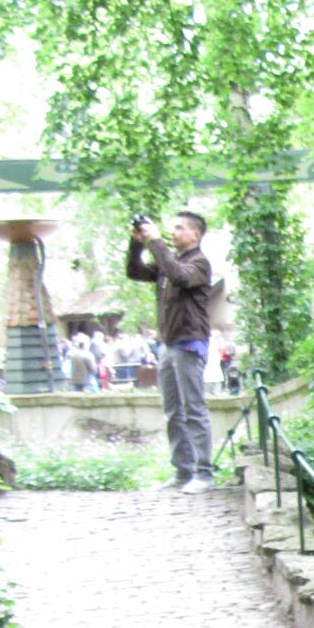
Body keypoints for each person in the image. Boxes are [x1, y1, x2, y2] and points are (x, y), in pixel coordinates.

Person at [126, 210, 216, 492]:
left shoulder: (199, 263)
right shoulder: (169, 261)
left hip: (189, 343)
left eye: (179, 228)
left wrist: (155, 242)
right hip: (168, 345)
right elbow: (134, 271)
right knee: (173, 411)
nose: (172, 232)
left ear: (195, 234)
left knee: (193, 410)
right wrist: (137, 243)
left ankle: (204, 474)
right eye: (172, 228)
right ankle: (182, 471)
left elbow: (179, 277)